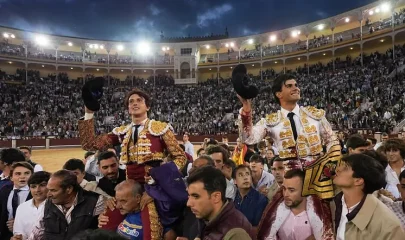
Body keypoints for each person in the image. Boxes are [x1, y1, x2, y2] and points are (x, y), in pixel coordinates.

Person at [237, 73, 341, 198]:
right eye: (289, 86)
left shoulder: (315, 115)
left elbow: (333, 141)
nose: (296, 88)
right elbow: (248, 138)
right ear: (278, 94)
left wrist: (328, 168)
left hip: (318, 178)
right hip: (289, 182)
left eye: (296, 85)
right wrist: (246, 109)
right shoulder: (270, 121)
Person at [333, 154, 405, 239]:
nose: (337, 170)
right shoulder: (333, 204)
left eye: (345, 168)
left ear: (358, 180)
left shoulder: (386, 224)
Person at [257, 169, 334, 240]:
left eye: (291, 190)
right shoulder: (276, 213)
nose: (286, 194)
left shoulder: (319, 213)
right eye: (284, 189)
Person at [28, 170, 105, 240]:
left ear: (69, 189)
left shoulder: (95, 201)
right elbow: (38, 230)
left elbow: (102, 233)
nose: (48, 195)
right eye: (48, 190)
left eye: (53, 190)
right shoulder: (48, 203)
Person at [186, 166, 254, 240]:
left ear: (216, 197)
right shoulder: (208, 218)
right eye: (189, 196)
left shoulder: (236, 234)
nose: (188, 203)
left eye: (196, 196)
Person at [12, 171, 50, 240]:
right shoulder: (22, 207)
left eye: (42, 185)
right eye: (33, 186)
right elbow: (19, 232)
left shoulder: (56, 206)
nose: (37, 190)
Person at [0, 162, 34, 239]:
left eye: (27, 173)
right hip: (6, 235)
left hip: (27, 235)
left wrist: (18, 225)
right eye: (18, 174)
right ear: (11, 177)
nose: (22, 177)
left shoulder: (36, 193)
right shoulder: (5, 190)